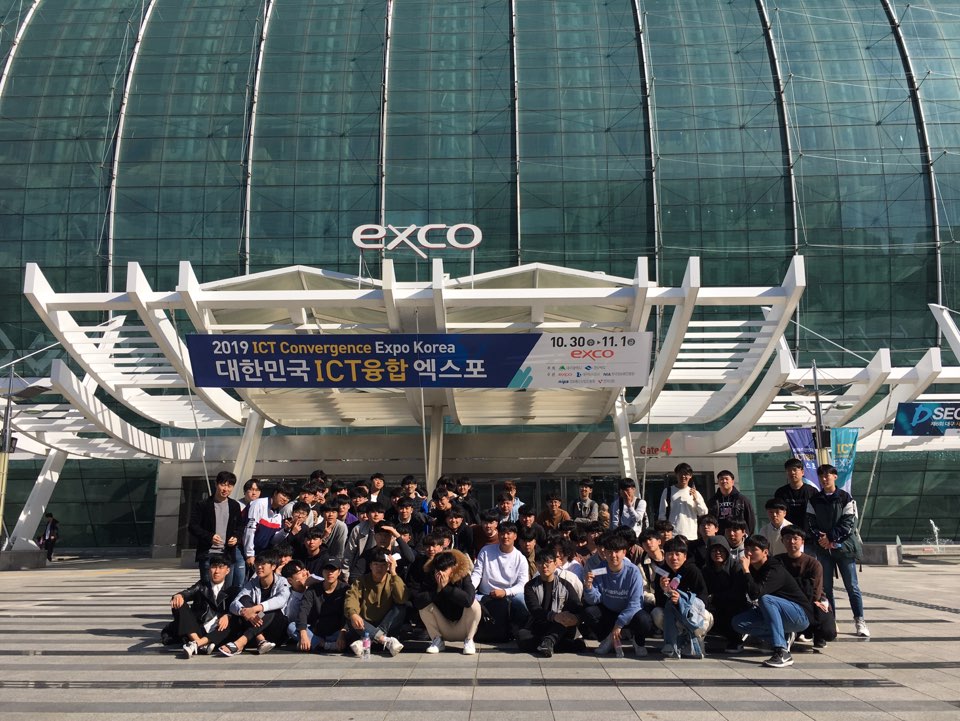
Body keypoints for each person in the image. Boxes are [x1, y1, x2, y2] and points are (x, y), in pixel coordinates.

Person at [731, 535, 814, 668]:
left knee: (766, 599)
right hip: (774, 613)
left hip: (799, 615)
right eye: (746, 549)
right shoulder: (751, 567)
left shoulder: (774, 569)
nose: (749, 553)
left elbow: (756, 593)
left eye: (754, 549)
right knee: (738, 622)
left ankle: (782, 651)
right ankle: (783, 637)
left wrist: (746, 571)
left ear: (765, 552)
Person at [806, 464, 869, 638]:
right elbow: (810, 522)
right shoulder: (814, 500)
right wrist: (822, 539)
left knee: (852, 587)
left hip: (845, 549)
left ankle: (860, 621)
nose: (824, 479)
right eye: (821, 476)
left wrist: (830, 538)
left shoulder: (845, 498)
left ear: (835, 477)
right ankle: (831, 621)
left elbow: (849, 523)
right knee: (826, 588)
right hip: (823, 550)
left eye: (827, 475)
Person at [582, 532, 652, 656]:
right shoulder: (599, 569)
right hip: (609, 610)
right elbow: (594, 600)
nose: (613, 555)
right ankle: (607, 639)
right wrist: (588, 587)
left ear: (624, 552)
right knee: (589, 612)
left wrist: (619, 624)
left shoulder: (633, 571)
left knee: (644, 620)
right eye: (609, 552)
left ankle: (638, 642)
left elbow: (635, 603)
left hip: (629, 612)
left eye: (616, 552)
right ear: (604, 552)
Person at [220, 549, 291, 656]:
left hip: (276, 630)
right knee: (244, 599)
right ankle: (260, 640)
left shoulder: (282, 581)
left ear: (273, 566)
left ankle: (240, 642)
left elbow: (280, 600)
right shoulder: (252, 583)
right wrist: (244, 611)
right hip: (256, 627)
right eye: (257, 564)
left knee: (269, 609)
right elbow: (234, 603)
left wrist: (254, 609)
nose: (259, 567)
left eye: (263, 564)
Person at [164, 553, 238, 657]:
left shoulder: (233, 589)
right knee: (178, 602)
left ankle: (197, 644)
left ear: (227, 570)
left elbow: (239, 608)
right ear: (209, 569)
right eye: (214, 567)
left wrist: (228, 615)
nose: (216, 571)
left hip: (218, 630)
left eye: (221, 567)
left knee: (233, 621)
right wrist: (179, 595)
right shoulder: (202, 585)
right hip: (198, 628)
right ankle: (198, 642)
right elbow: (188, 592)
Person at [777, 525, 837, 650]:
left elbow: (815, 591)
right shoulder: (778, 561)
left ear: (802, 541)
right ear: (782, 541)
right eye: (787, 538)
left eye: (795, 538)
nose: (791, 541)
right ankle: (799, 630)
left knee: (828, 632)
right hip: (787, 601)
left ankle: (815, 633)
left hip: (812, 601)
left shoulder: (813, 563)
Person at [652, 536, 712, 659]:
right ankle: (676, 640)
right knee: (656, 613)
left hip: (691, 612)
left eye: (678, 554)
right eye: (670, 554)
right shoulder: (662, 573)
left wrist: (682, 600)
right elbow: (659, 602)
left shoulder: (693, 570)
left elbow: (703, 598)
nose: (674, 558)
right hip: (672, 614)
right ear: (664, 556)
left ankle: (695, 638)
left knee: (706, 616)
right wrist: (665, 591)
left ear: (685, 556)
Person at [412, 549, 481, 655]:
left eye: (444, 569)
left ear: (453, 567)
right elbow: (418, 602)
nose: (440, 573)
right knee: (424, 606)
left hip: (463, 626)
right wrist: (437, 591)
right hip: (443, 627)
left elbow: (468, 600)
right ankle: (437, 640)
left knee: (474, 605)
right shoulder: (431, 578)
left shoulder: (464, 577)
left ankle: (469, 640)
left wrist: (447, 589)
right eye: (437, 569)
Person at [519, 549, 585, 657]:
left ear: (555, 564)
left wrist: (576, 619)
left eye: (548, 562)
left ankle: (548, 641)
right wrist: (554, 616)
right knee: (522, 636)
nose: (544, 566)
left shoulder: (565, 585)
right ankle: (556, 644)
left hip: (561, 627)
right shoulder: (530, 586)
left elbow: (578, 606)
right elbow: (535, 610)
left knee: (564, 619)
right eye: (540, 563)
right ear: (536, 565)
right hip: (540, 625)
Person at [470, 521, 530, 641]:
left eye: (509, 533)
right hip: (485, 595)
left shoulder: (521, 558)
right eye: (502, 533)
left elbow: (523, 584)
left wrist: (505, 592)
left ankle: (517, 631)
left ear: (515, 536)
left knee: (522, 600)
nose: (505, 536)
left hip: (509, 595)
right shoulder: (486, 551)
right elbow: (477, 574)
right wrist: (470, 589)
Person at [343, 549, 408, 656]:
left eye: (383, 565)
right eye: (376, 564)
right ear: (370, 566)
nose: (379, 568)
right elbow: (351, 598)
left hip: (386, 624)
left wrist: (393, 573)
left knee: (400, 608)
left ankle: (366, 641)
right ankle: (385, 640)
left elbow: (402, 598)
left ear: (388, 566)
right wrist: (353, 614)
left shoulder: (393, 579)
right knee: (350, 616)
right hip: (365, 624)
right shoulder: (361, 581)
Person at [187, 471, 244, 588]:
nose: (226, 489)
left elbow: (240, 526)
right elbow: (193, 526)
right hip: (208, 554)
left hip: (227, 554)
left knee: (226, 590)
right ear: (216, 484)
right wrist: (209, 537)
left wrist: (236, 537)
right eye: (223, 485)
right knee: (208, 589)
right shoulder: (203, 505)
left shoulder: (234, 505)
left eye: (229, 486)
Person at [701, 535, 748, 653]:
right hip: (713, 604)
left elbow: (738, 592)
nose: (718, 553)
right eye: (714, 550)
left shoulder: (735, 566)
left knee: (730, 610)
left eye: (721, 550)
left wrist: (715, 597)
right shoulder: (706, 569)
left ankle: (736, 640)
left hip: (734, 604)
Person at [295, 560, 348, 653]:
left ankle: (314, 645)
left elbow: (347, 613)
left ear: (339, 572)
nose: (330, 573)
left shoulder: (345, 589)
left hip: (337, 633)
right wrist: (303, 634)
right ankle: (324, 645)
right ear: (322, 572)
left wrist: (342, 633)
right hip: (316, 632)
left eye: (333, 570)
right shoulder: (313, 589)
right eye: (327, 570)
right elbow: (303, 610)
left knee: (353, 631)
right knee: (292, 627)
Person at [242, 481, 296, 573]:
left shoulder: (278, 516)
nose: (285, 499)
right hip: (244, 551)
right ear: (275, 493)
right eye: (283, 495)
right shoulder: (259, 504)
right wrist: (249, 555)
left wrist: (286, 530)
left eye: (288, 498)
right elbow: (249, 530)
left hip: (260, 556)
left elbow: (273, 540)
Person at [658, 463, 707, 541]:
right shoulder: (668, 491)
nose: (683, 476)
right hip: (673, 534)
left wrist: (696, 499)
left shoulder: (695, 493)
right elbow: (662, 513)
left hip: (691, 535)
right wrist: (665, 532)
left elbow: (703, 513)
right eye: (680, 473)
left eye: (686, 474)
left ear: (690, 476)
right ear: (676, 474)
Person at [774, 458, 818, 532]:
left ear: (802, 472)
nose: (792, 472)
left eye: (795, 470)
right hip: (787, 532)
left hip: (809, 532)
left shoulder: (812, 491)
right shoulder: (780, 492)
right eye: (789, 470)